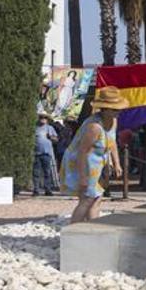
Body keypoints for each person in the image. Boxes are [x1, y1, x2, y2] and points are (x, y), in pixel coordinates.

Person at [65, 86, 128, 222]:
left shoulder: (113, 121)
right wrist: (83, 176)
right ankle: (73, 231)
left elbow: (112, 143)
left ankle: (93, 228)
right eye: (115, 109)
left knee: (97, 198)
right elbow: (83, 151)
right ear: (105, 109)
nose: (119, 111)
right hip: (84, 163)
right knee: (87, 199)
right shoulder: (94, 127)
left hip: (98, 163)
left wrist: (116, 163)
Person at [34, 114, 59, 196]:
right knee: (36, 173)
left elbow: (56, 139)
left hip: (46, 153)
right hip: (36, 153)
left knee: (47, 173)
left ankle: (47, 189)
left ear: (47, 119)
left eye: (45, 118)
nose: (43, 119)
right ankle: (36, 190)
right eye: (41, 117)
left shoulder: (50, 128)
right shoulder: (35, 128)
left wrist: (51, 137)